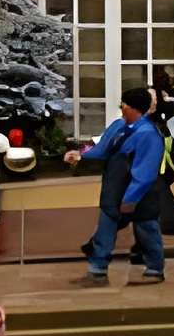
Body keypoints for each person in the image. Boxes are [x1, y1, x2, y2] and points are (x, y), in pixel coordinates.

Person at [66, 86, 168, 286]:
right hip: (114, 188)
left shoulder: (148, 134)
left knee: (147, 229)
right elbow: (103, 149)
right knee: (105, 229)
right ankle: (97, 271)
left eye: (125, 105)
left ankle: (155, 269)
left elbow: (145, 172)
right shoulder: (118, 127)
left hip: (140, 194)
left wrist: (130, 198)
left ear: (135, 109)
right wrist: (80, 156)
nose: (122, 107)